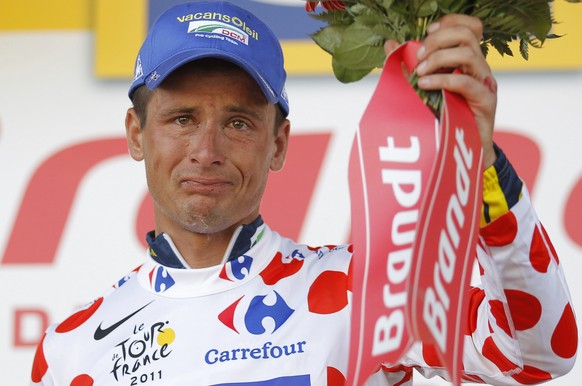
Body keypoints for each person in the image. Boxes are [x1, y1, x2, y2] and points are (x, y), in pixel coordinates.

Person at [30, 1, 577, 385]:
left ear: (278, 143)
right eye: (181, 118)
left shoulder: (366, 293)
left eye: (240, 123)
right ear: (135, 134)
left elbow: (537, 356)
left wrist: (479, 165)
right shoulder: (72, 347)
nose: (207, 149)